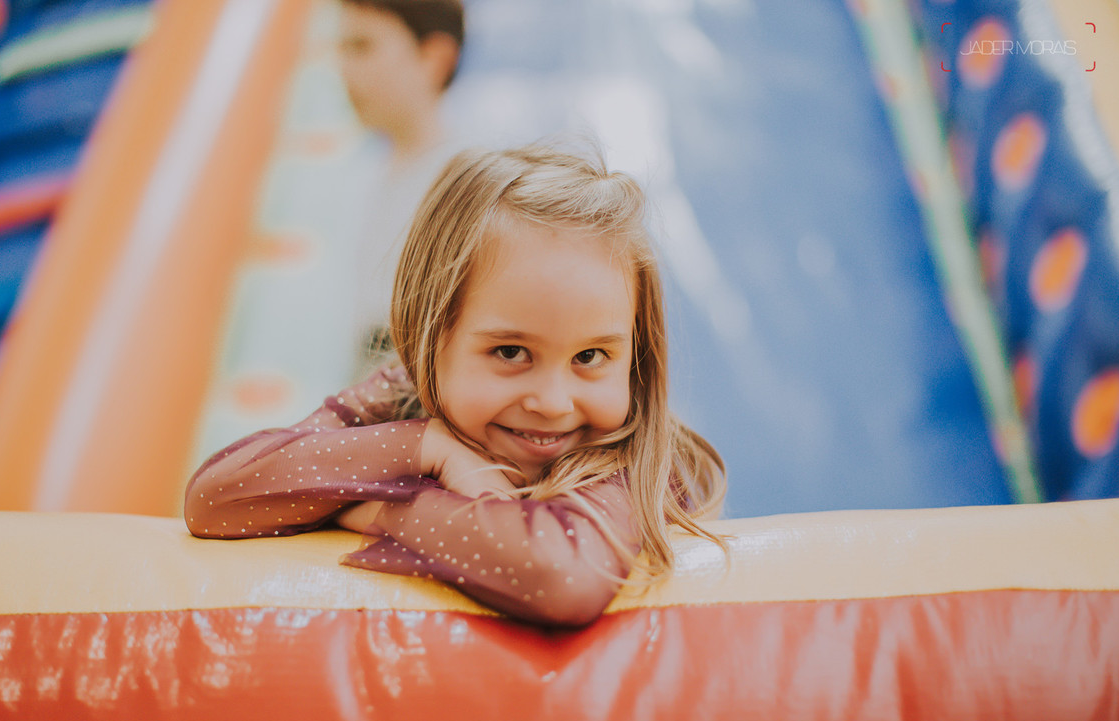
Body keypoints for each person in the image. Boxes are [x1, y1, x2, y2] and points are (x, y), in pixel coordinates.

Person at [184, 144, 728, 627]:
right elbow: (214, 498)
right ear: (427, 337)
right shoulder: (400, 397)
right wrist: (425, 445)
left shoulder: (627, 458)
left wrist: (383, 509)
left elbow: (563, 577)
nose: (553, 403)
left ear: (635, 357)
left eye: (590, 356)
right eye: (511, 352)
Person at [337, 0, 467, 368]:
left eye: (361, 47)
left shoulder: (466, 191)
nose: (343, 68)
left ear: (434, 57)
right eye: (341, 48)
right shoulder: (366, 175)